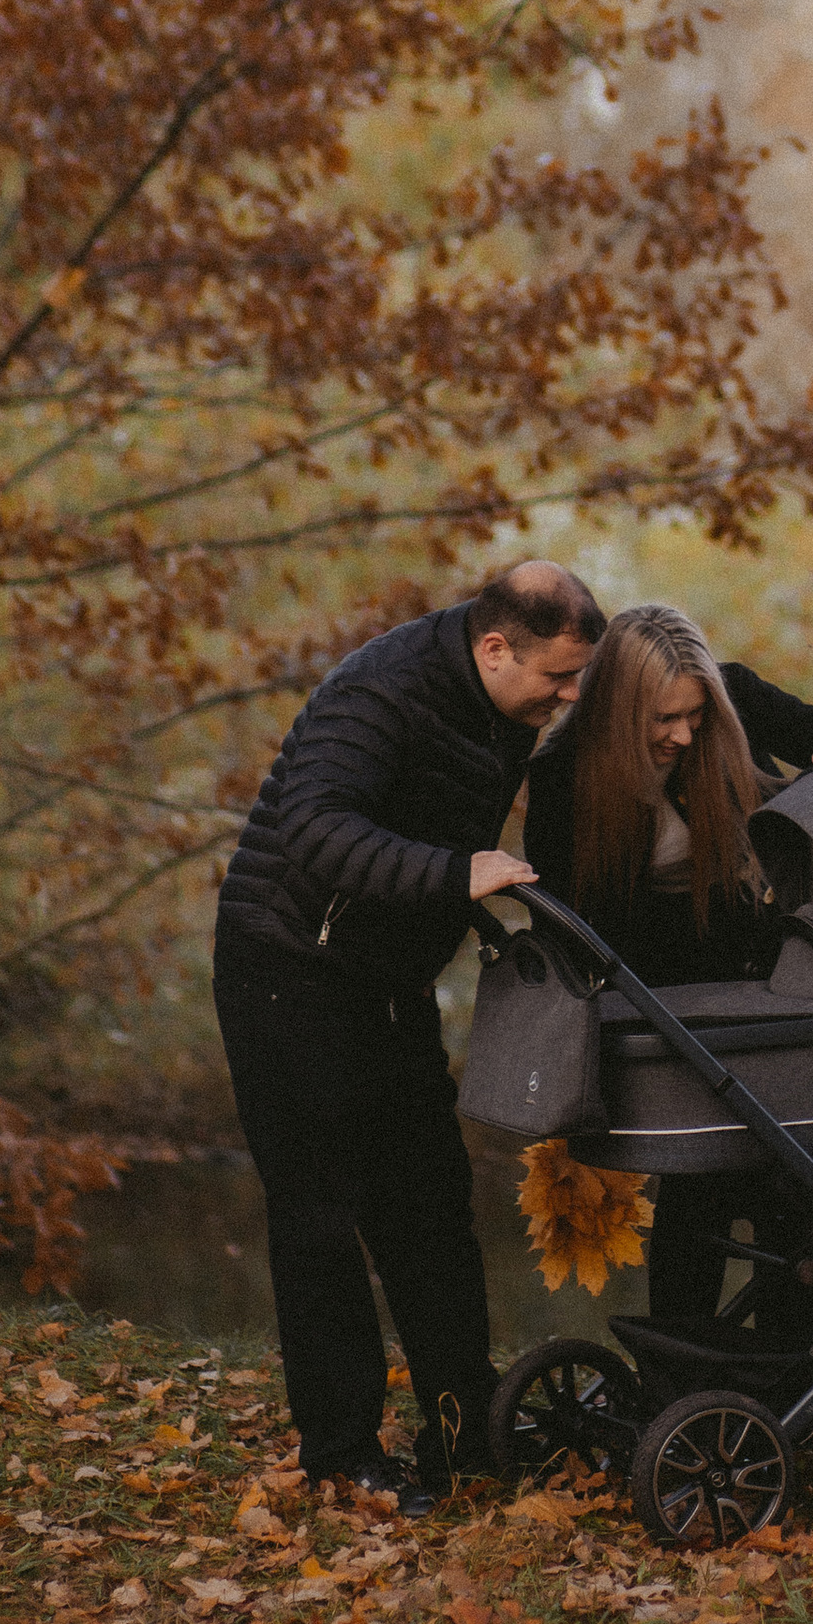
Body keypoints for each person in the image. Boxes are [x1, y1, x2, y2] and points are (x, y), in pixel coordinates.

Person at [212, 559, 604, 1504]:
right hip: (286, 971)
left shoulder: (508, 698)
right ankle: (342, 1457)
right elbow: (313, 824)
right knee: (320, 1219)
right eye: (557, 678)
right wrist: (452, 875)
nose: (569, 696)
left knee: (429, 1208)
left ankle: (463, 1438)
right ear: (495, 646)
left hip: (388, 978)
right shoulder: (379, 692)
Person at [519, 600, 813, 1339]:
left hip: (774, 985)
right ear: (615, 713)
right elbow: (567, 926)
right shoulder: (564, 774)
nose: (683, 735)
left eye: (695, 717)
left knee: (794, 1181)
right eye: (662, 720)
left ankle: (781, 1376)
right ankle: (688, 1374)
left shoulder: (734, 697)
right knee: (698, 1185)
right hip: (663, 1004)